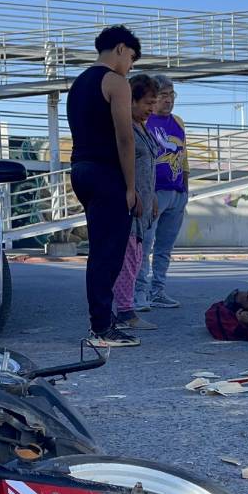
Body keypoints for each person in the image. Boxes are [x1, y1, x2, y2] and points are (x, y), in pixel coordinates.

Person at [67, 25, 142, 348]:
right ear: (121, 48)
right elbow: (125, 138)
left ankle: (101, 322)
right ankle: (101, 328)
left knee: (100, 250)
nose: (130, 67)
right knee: (108, 254)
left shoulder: (78, 84)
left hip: (81, 170)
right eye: (132, 58)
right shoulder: (116, 82)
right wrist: (131, 187)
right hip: (106, 174)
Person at [135, 74, 189, 311]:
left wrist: (185, 188)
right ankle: (138, 292)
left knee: (165, 247)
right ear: (152, 98)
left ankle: (158, 290)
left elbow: (183, 157)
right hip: (154, 193)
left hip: (177, 193)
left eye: (171, 95)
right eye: (163, 95)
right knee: (145, 244)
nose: (169, 100)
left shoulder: (178, 122)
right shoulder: (143, 121)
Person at [112, 74, 160, 332]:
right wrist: (133, 192)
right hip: (130, 203)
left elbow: (147, 166)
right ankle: (125, 311)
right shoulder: (125, 128)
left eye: (153, 103)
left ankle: (124, 307)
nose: (151, 109)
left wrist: (152, 196)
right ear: (131, 101)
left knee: (137, 257)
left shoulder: (143, 127)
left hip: (144, 205)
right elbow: (118, 165)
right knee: (128, 259)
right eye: (147, 103)